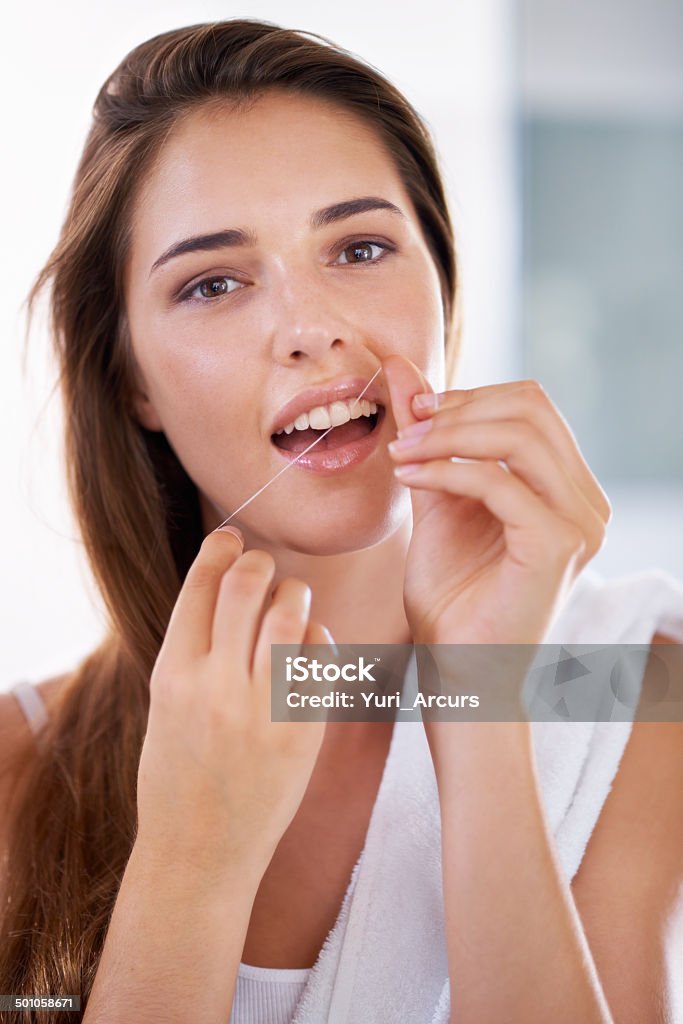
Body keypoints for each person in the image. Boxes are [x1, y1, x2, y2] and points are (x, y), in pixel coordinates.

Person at [0, 18, 681, 1024]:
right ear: (130, 377)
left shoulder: (630, 682)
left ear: (441, 289)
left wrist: (477, 695)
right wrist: (191, 865)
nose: (312, 328)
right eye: (213, 282)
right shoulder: (21, 763)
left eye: (359, 247)